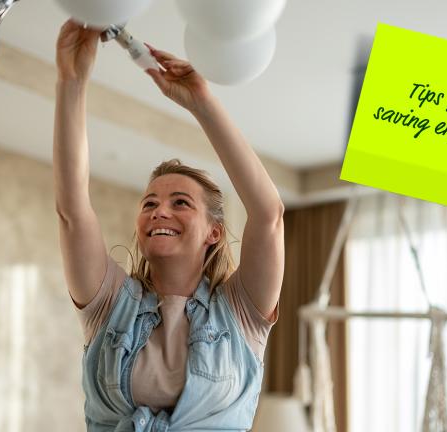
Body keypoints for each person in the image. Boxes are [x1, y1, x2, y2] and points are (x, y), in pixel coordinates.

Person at [53, 18, 285, 431]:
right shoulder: (109, 306)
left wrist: (201, 102)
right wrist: (71, 81)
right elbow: (72, 209)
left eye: (181, 203)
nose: (160, 211)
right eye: (150, 203)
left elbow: (268, 215)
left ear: (214, 232)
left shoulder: (240, 314)